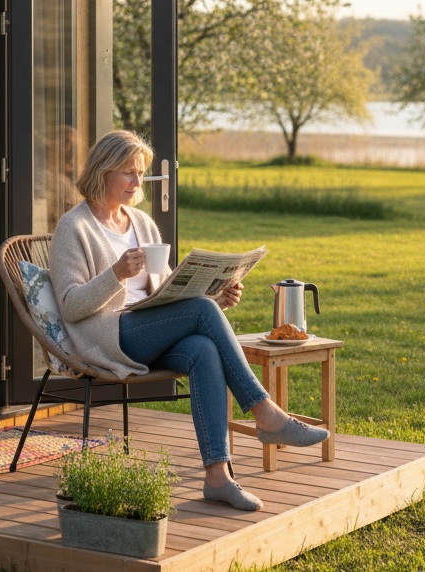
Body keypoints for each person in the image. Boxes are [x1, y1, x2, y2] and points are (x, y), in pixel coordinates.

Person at [49, 130, 329, 511]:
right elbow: (69, 306)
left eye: (140, 173)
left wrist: (216, 297)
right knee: (201, 313)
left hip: (149, 329)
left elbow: (165, 292)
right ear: (104, 171)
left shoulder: (142, 224)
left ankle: (218, 478)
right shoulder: (74, 227)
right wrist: (115, 274)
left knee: (202, 348)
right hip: (107, 336)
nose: (137, 181)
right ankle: (265, 413)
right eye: (129, 172)